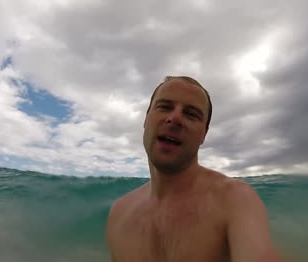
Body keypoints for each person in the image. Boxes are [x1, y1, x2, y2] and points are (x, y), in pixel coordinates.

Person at [106, 76, 283, 262]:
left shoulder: (234, 200)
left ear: (203, 135)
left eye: (191, 114)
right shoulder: (119, 213)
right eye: (165, 107)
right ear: (146, 119)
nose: (174, 118)